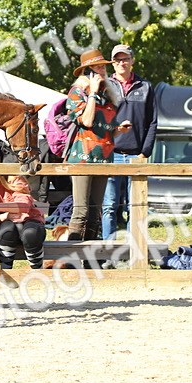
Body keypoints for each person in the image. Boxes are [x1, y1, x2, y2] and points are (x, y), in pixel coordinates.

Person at [101, 44, 157, 240]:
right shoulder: (104, 86)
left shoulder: (145, 87)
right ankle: (107, 251)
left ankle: (135, 250)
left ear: (132, 61)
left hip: (136, 154)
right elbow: (98, 121)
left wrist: (145, 152)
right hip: (111, 154)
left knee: (136, 207)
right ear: (112, 64)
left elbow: (152, 121)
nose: (122, 63)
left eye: (125, 59)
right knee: (109, 206)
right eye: (117, 60)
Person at [63, 49, 120, 241]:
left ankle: (90, 259)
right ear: (87, 71)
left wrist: (120, 129)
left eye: (103, 66)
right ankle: (71, 257)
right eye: (97, 67)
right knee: (81, 211)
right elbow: (86, 121)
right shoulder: (77, 92)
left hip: (103, 157)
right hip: (82, 157)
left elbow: (105, 128)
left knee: (96, 212)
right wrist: (93, 93)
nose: (102, 70)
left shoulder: (108, 93)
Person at [0, 159, 47, 270]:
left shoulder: (14, 179)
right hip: (5, 229)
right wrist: (4, 216)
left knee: (30, 234)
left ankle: (37, 270)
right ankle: (6, 271)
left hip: (31, 222)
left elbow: (24, 206)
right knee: (7, 230)